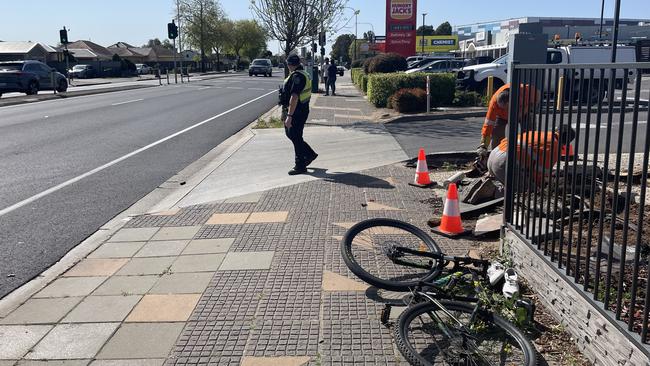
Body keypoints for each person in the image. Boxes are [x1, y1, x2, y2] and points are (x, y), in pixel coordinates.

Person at [487, 125, 576, 186]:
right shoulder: (555, 146)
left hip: (493, 155)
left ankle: (489, 186)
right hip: (503, 162)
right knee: (527, 191)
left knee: (509, 181)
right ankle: (494, 192)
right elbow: (539, 172)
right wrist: (538, 184)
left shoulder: (542, 134)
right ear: (566, 142)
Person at [281, 54, 318, 175]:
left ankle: (300, 165)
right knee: (292, 135)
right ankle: (309, 154)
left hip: (297, 111)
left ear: (290, 64)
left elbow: (294, 96)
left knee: (295, 136)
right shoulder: (302, 73)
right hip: (300, 109)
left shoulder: (297, 76)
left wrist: (289, 116)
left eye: (287, 63)